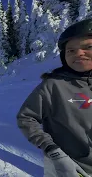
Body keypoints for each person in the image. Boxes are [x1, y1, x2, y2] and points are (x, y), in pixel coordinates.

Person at [16, 18, 92, 177]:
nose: (78, 53)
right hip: (68, 168)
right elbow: (26, 117)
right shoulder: (53, 85)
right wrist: (53, 150)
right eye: (71, 50)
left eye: (88, 47)